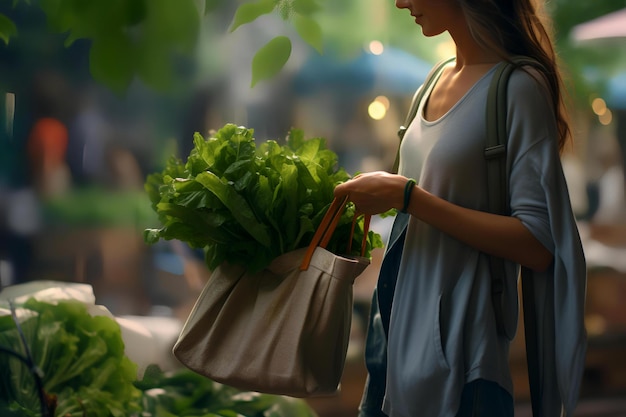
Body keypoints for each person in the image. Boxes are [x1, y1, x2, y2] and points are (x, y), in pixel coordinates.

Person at [333, 0, 587, 416]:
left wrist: (408, 198)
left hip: (465, 368)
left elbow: (539, 244)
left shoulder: (517, 87)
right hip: (391, 354)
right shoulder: (430, 84)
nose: (400, 3)